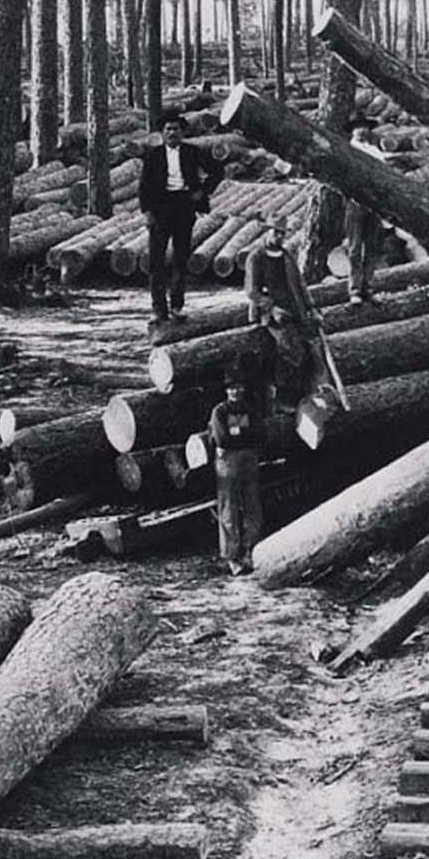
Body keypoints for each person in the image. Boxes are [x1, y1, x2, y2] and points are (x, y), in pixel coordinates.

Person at [138, 107, 222, 324]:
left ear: (182, 132)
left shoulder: (192, 152)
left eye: (176, 129)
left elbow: (217, 170)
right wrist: (147, 212)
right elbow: (144, 186)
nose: (173, 133)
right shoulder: (153, 156)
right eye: (168, 129)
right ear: (162, 133)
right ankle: (158, 309)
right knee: (156, 262)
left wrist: (202, 191)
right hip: (160, 208)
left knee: (180, 259)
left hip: (184, 206)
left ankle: (176, 306)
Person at [245, 215, 320, 406]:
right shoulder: (256, 257)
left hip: (294, 308)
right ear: (267, 231)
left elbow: (300, 285)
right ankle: (284, 399)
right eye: (275, 232)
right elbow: (252, 291)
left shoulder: (287, 256)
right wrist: (272, 308)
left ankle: (305, 394)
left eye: (282, 234)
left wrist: (311, 308)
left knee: (310, 346)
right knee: (290, 348)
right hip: (269, 314)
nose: (279, 237)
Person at [209, 362, 265, 574]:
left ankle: (253, 550)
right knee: (228, 509)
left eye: (239, 387)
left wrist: (239, 437)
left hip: (248, 460)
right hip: (228, 464)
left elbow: (260, 434)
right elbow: (221, 439)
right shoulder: (220, 411)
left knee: (253, 505)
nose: (236, 391)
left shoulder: (250, 408)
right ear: (226, 390)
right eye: (231, 388)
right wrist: (243, 437)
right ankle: (232, 557)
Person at [341, 116, 387, 303]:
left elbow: (384, 174)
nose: (362, 130)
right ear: (352, 130)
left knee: (371, 248)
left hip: (374, 202)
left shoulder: (375, 151)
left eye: (365, 127)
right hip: (355, 202)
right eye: (358, 127)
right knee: (354, 248)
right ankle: (354, 289)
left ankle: (367, 286)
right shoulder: (347, 150)